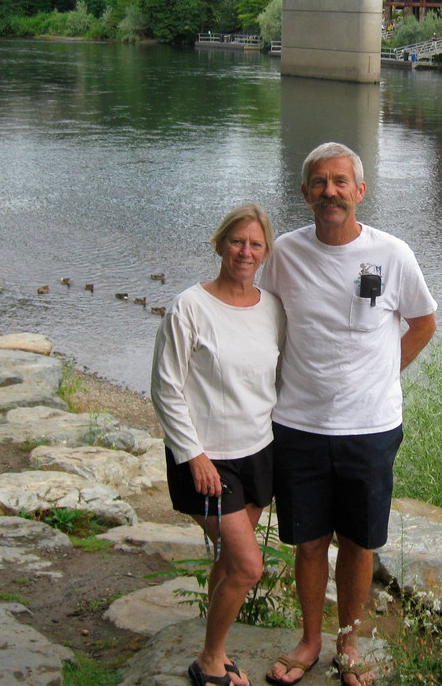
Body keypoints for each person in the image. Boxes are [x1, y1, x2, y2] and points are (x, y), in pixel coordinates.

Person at [261, 143, 437, 686]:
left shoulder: (392, 255)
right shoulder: (283, 255)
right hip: (299, 424)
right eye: (320, 182)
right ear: (305, 192)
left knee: (360, 543)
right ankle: (310, 641)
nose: (330, 192)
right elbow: (256, 318)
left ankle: (350, 642)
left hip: (371, 428)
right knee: (310, 541)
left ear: (360, 192)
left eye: (341, 182)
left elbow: (424, 322)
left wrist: (384, 374)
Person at [151, 203, 286, 686]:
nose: (245, 252)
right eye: (236, 242)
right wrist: (193, 454)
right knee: (249, 567)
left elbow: (279, 376)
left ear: (266, 252)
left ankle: (216, 647)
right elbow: (166, 387)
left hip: (258, 452)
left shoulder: (272, 308)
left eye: (254, 244)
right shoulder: (190, 306)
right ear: (219, 245)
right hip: (208, 460)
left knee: (230, 562)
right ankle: (209, 658)